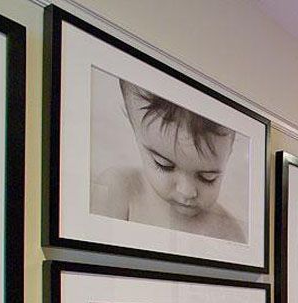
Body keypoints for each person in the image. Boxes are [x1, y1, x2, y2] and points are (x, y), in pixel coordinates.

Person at [91, 80, 246, 244]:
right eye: (164, 165)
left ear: (229, 154)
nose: (186, 192)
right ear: (134, 130)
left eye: (207, 177)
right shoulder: (119, 189)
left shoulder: (228, 231)